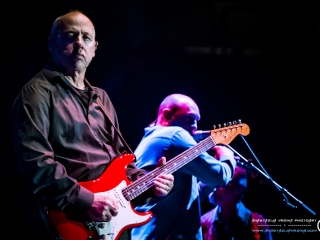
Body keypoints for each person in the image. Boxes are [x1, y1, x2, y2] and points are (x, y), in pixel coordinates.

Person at [10, 10, 174, 240]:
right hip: (71, 222)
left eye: (86, 38)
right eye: (70, 36)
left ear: (94, 48)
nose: (79, 44)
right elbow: (35, 163)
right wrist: (86, 201)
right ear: (51, 44)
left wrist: (151, 183)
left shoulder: (101, 98)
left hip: (113, 223)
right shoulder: (36, 94)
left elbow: (120, 159)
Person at [130, 93, 237, 240]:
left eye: (197, 121)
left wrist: (207, 178)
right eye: (190, 119)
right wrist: (227, 156)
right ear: (167, 116)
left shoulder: (150, 139)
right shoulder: (176, 135)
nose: (195, 127)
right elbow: (220, 176)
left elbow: (187, 196)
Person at [201, 166, 273, 240]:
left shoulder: (259, 224)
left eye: (224, 181)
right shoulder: (203, 223)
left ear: (238, 189)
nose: (214, 186)